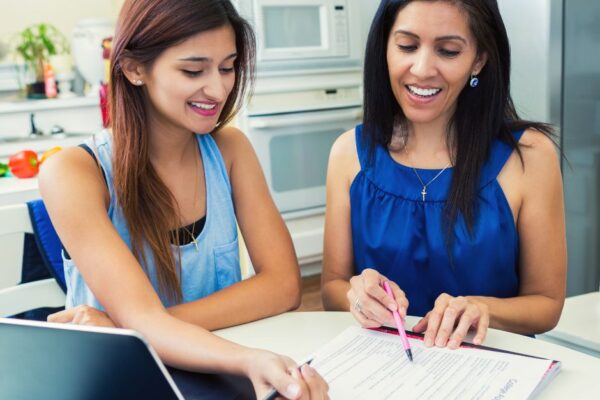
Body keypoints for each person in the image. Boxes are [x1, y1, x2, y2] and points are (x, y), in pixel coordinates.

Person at [39, 0, 328, 398]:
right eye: (194, 70)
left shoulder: (230, 150)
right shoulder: (73, 173)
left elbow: (283, 285)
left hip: (214, 370)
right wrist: (246, 358)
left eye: (227, 67)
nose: (219, 88)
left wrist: (133, 327)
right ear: (134, 68)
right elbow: (143, 319)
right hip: (115, 382)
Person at [321, 0, 566, 350]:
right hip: (384, 369)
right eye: (406, 46)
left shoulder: (529, 157)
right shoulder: (348, 154)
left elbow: (546, 304)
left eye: (448, 51)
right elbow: (332, 287)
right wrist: (356, 295)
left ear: (478, 59)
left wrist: (484, 309)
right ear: (384, 48)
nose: (421, 69)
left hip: (492, 370)